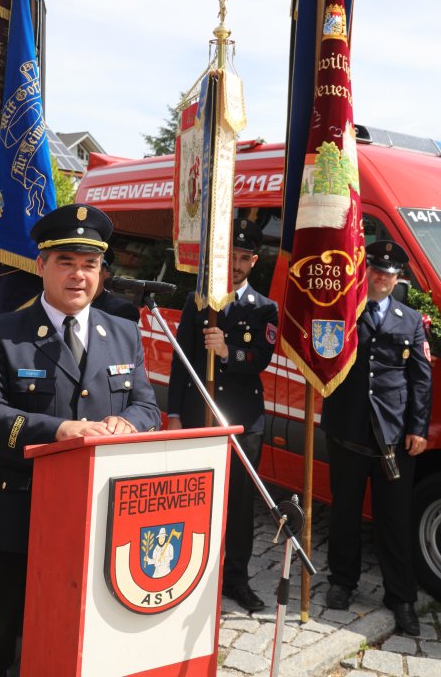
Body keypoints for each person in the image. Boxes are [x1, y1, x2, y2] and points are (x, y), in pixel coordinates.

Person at [0, 204, 160, 677]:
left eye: (89, 265)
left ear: (102, 272)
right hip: (19, 516)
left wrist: (127, 424)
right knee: (4, 644)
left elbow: (147, 407)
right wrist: (59, 431)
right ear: (41, 266)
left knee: (82, 637)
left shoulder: (124, 332)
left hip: (98, 516)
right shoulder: (0, 334)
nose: (78, 275)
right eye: (66, 262)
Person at [167, 218, 278, 612]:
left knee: (240, 504)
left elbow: (262, 358)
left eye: (243, 258)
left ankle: (236, 580)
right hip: (200, 417)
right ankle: (190, 573)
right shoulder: (199, 302)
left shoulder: (265, 308)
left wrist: (229, 352)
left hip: (243, 421)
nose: (235, 264)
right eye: (230, 256)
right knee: (195, 497)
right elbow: (181, 363)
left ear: (254, 261)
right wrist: (175, 414)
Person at [321, 240, 432, 636]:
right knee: (344, 513)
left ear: (398, 277)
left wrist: (419, 428)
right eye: (376, 269)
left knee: (394, 520)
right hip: (347, 430)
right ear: (366, 270)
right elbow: (324, 356)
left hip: (394, 437)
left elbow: (421, 379)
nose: (381, 276)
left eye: (388, 272)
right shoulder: (343, 311)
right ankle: (341, 583)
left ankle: (400, 598)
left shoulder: (411, 320)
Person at [92, 245, 140, 322]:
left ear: (106, 276)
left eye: (90, 268)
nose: (78, 275)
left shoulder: (122, 312)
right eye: (68, 265)